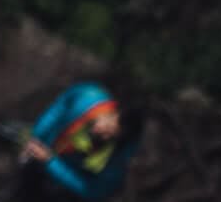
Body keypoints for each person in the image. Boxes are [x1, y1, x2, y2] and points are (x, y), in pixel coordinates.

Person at [12, 80, 144, 200]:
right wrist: (36, 138)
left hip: (66, 191)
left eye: (112, 138)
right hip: (40, 163)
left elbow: (93, 192)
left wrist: (50, 162)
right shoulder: (87, 96)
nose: (104, 136)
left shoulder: (120, 157)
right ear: (113, 110)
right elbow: (55, 113)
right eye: (108, 127)